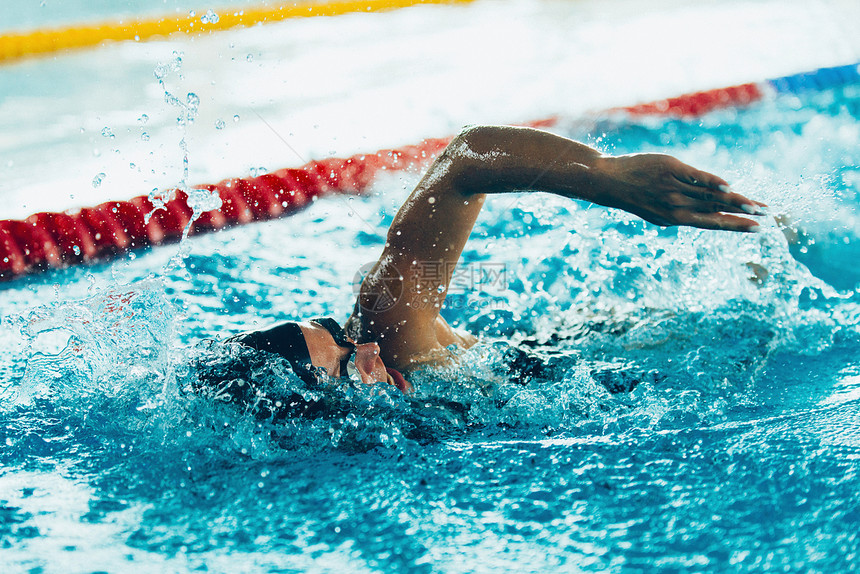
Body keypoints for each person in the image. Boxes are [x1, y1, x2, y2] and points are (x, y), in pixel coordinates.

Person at [216, 125, 766, 398]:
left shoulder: (387, 338)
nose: (361, 352)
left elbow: (464, 161)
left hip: (574, 361)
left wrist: (607, 177)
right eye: (341, 367)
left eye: (336, 334)